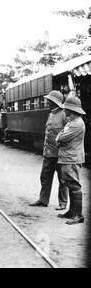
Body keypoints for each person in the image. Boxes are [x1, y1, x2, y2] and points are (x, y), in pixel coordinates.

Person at [29, 90, 68, 209]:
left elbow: (67, 133)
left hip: (60, 154)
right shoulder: (50, 114)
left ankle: (62, 203)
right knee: (45, 177)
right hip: (48, 153)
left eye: (49, 100)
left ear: (54, 102)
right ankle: (43, 200)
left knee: (63, 180)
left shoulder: (64, 114)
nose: (47, 102)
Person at [56, 96, 86, 225]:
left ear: (70, 109)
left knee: (74, 185)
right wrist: (60, 137)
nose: (64, 110)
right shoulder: (72, 122)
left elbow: (61, 137)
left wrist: (59, 138)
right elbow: (61, 135)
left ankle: (78, 215)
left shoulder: (76, 123)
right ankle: (72, 212)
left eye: (65, 108)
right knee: (69, 184)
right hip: (67, 157)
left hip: (71, 158)